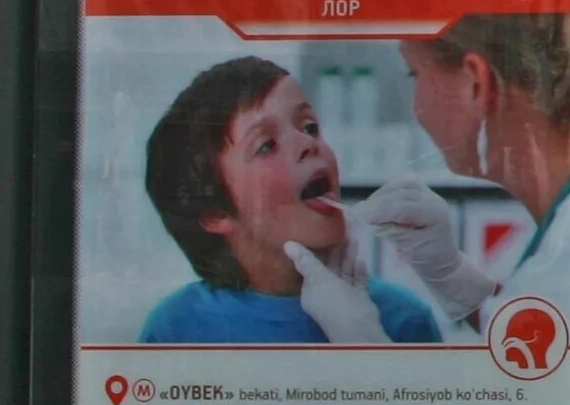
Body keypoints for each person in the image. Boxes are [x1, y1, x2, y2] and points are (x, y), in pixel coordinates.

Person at [139, 58, 442, 345]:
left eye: (309, 127)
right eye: (266, 145)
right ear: (215, 211)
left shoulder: (403, 321)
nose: (308, 143)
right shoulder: (176, 329)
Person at [366, 13, 570, 341]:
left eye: (414, 74)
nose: (416, 105)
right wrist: (453, 278)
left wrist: (358, 348)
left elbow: (542, 350)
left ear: (476, 83)